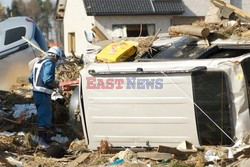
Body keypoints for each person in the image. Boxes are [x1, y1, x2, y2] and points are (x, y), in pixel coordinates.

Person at [29, 46, 63, 148]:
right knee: (45, 116)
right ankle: (42, 141)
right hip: (43, 93)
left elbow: (30, 78)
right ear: (54, 56)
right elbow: (47, 79)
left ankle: (44, 139)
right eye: (57, 58)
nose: (56, 61)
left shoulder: (38, 62)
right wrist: (57, 85)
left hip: (36, 92)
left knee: (41, 115)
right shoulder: (49, 63)